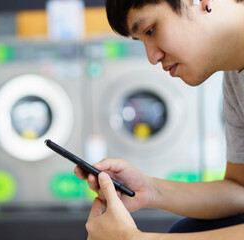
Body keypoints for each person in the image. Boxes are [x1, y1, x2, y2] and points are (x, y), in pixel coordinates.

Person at [74, 0, 244, 239]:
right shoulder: (236, 79)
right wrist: (150, 189)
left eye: (151, 30)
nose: (152, 57)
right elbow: (241, 191)